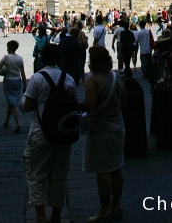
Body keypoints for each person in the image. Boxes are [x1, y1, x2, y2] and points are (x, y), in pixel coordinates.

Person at [22, 42, 78, 223]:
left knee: (36, 175)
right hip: (63, 135)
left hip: (40, 134)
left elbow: (28, 106)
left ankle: (40, 216)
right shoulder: (68, 79)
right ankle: (56, 216)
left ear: (42, 59)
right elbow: (74, 105)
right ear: (59, 59)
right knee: (59, 176)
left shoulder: (37, 79)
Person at [80, 46, 127, 221]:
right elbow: (124, 100)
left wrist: (76, 106)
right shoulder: (116, 77)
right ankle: (117, 204)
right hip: (117, 126)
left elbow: (91, 104)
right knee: (116, 167)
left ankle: (104, 209)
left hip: (100, 129)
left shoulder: (93, 80)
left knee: (102, 170)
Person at [0, 39, 27, 132]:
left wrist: (4, 67)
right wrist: (25, 84)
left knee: (12, 103)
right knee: (12, 101)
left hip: (8, 81)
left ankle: (17, 123)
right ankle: (6, 120)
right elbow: (23, 72)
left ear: (9, 48)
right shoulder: (20, 58)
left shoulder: (6, 57)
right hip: (18, 81)